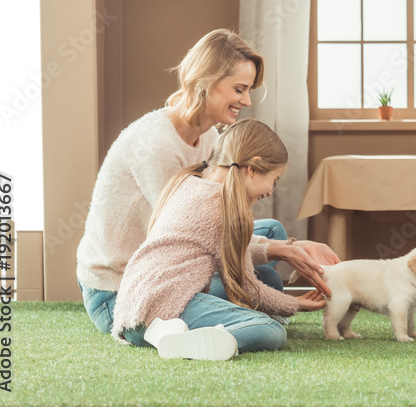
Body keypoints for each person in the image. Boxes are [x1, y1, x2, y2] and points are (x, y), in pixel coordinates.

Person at [77, 29, 339, 337]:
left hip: (181, 259)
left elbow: (210, 229)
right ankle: (231, 320)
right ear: (207, 82)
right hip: (124, 287)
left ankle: (238, 311)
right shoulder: (155, 146)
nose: (247, 100)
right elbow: (188, 234)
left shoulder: (209, 136)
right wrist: (283, 251)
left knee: (272, 240)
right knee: (267, 265)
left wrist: (287, 246)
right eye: (239, 89)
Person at [112, 119, 325, 360]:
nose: (270, 190)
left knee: (266, 277)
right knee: (272, 331)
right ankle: (178, 342)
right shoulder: (223, 208)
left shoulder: (190, 183)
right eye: (273, 180)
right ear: (252, 169)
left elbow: (223, 252)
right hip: (159, 312)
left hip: (133, 309)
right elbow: (247, 289)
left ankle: (185, 333)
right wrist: (294, 304)